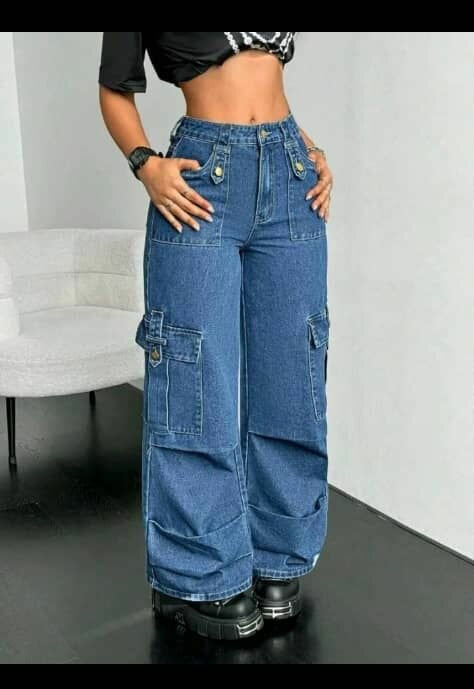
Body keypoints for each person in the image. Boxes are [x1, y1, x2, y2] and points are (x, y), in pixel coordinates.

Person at [99, 32, 333, 642]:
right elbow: (113, 88)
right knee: (194, 381)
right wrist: (145, 164)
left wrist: (307, 149)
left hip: (290, 169)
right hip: (201, 176)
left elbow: (263, 81)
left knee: (293, 374)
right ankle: (194, 572)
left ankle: (278, 552)